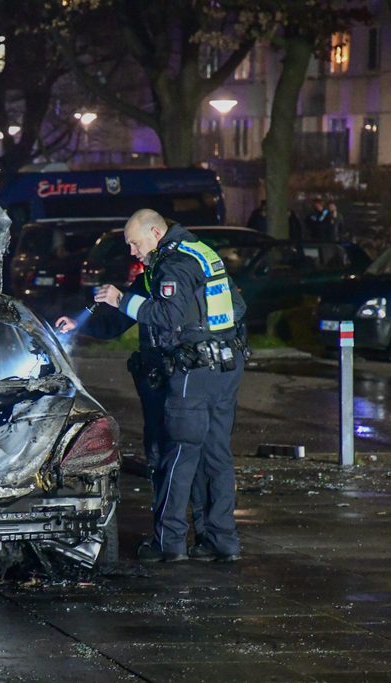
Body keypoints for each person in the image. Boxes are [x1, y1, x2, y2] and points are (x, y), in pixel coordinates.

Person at [57, 209, 248, 563]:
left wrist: (119, 299)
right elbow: (235, 308)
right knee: (216, 456)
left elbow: (168, 318)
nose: (131, 251)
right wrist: (83, 323)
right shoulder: (201, 253)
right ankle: (220, 541)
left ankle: (169, 544)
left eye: (134, 242)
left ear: (156, 232)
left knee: (177, 456)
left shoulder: (172, 264)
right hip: (224, 367)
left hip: (193, 372)